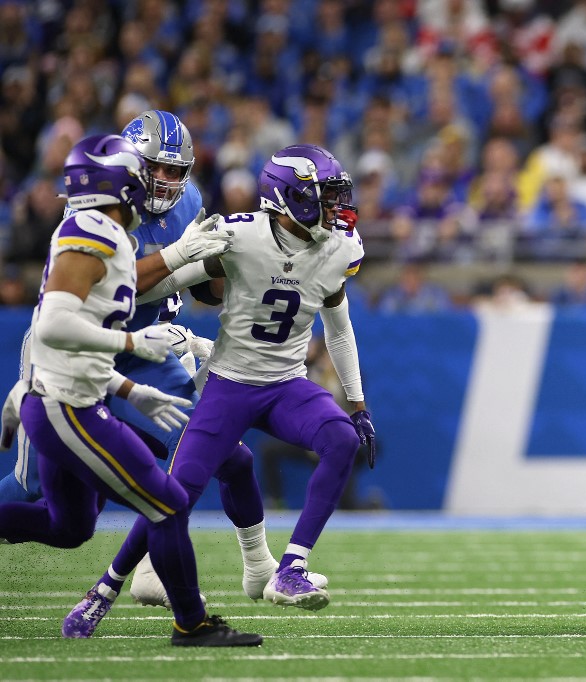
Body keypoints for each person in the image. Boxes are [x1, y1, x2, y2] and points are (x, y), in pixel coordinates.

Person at [75, 143, 377, 619]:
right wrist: (139, 296)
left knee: (341, 438)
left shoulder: (339, 249)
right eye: (326, 197)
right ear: (293, 198)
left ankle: (290, 568)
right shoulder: (238, 237)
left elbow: (339, 328)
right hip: (229, 386)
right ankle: (104, 590)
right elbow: (160, 284)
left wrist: (358, 405)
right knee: (176, 492)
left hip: (286, 385)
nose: (337, 208)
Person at [0, 134, 259, 646]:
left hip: (85, 385)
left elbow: (99, 329)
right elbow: (53, 327)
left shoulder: (115, 230)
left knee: (71, 527)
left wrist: (133, 387)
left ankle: (178, 607)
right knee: (162, 501)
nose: (153, 185)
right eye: (142, 175)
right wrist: (134, 341)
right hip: (65, 400)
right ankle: (191, 622)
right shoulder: (91, 233)